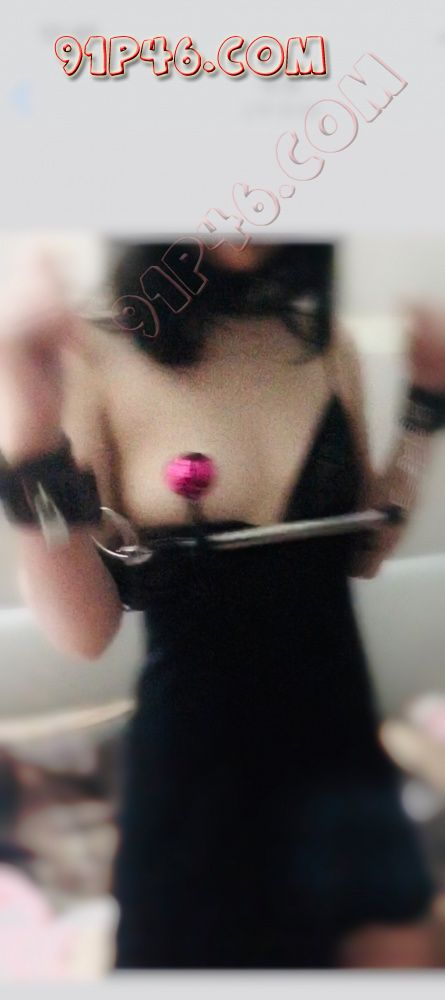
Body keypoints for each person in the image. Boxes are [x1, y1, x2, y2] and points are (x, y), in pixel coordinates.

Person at [0, 238, 444, 969]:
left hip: (340, 748)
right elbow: (83, 631)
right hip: (199, 767)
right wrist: (28, 427)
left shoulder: (321, 342)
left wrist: (425, 403)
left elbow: (363, 549)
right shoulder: (96, 347)